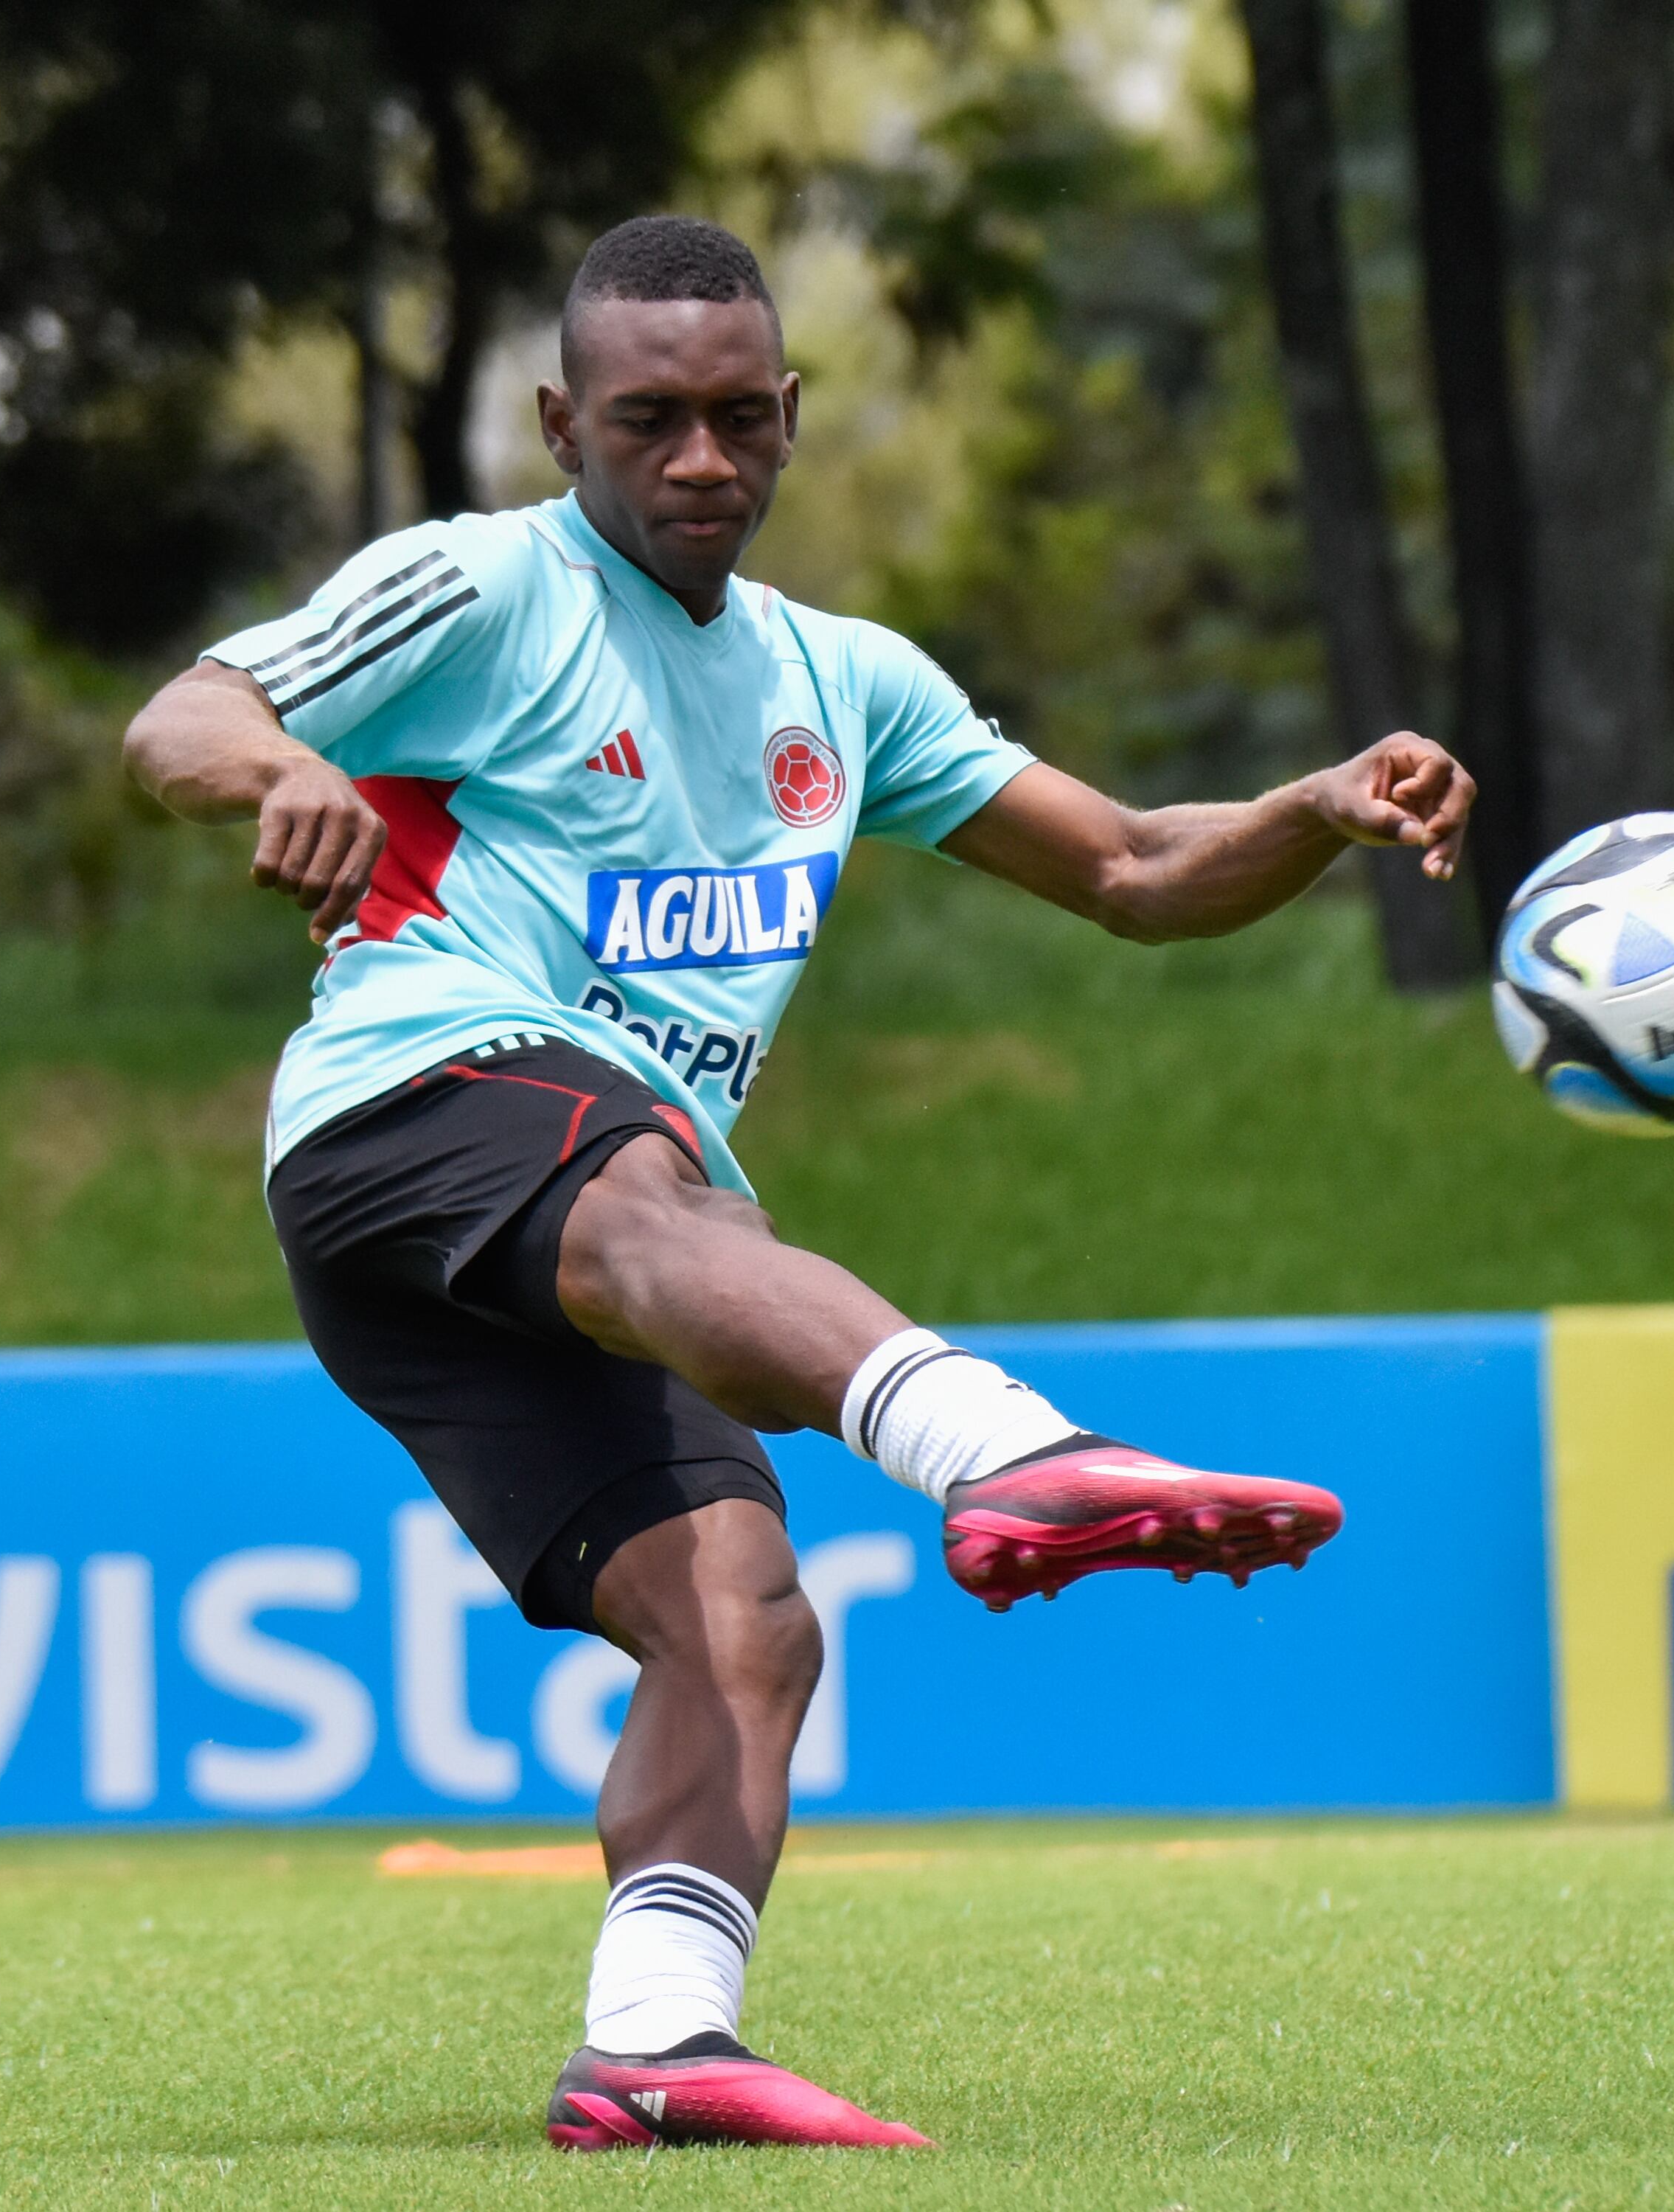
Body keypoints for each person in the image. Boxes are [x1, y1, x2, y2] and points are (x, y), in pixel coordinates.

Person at [121, 215, 1474, 2153]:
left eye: (738, 420)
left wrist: (1314, 809)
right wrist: (273, 774)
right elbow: (179, 713)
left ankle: (654, 2043)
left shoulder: (839, 684)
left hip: (573, 1209)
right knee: (668, 1197)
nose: (697, 463)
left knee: (742, 1611)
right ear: (557, 420)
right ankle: (1003, 1448)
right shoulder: (480, 591)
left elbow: (1134, 872)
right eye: (647, 421)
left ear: (789, 418)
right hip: (413, 1109)